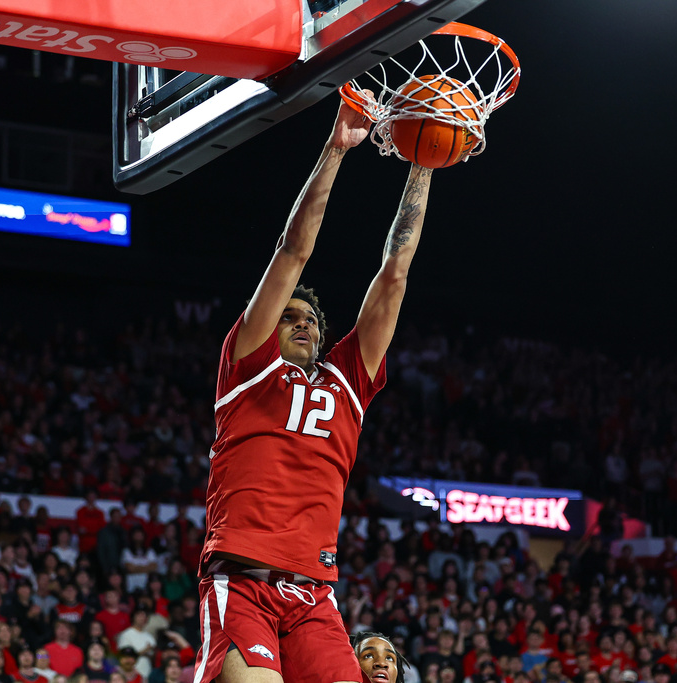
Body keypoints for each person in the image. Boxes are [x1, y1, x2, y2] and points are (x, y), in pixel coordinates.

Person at [192, 95, 435, 683]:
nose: (303, 322)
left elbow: (395, 272)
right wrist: (335, 150)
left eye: (312, 319)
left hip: (313, 596)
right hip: (242, 580)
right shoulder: (247, 366)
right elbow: (292, 252)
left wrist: (424, 163)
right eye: (290, 315)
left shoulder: (348, 382)